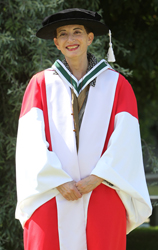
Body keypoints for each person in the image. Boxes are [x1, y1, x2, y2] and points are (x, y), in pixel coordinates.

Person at [15, 8, 152, 250]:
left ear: (90, 38)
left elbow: (126, 140)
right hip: (52, 193)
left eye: (77, 32)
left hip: (102, 190)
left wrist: (97, 177)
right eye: (64, 34)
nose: (71, 39)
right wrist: (58, 180)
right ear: (56, 43)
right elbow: (30, 142)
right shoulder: (40, 84)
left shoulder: (117, 84)